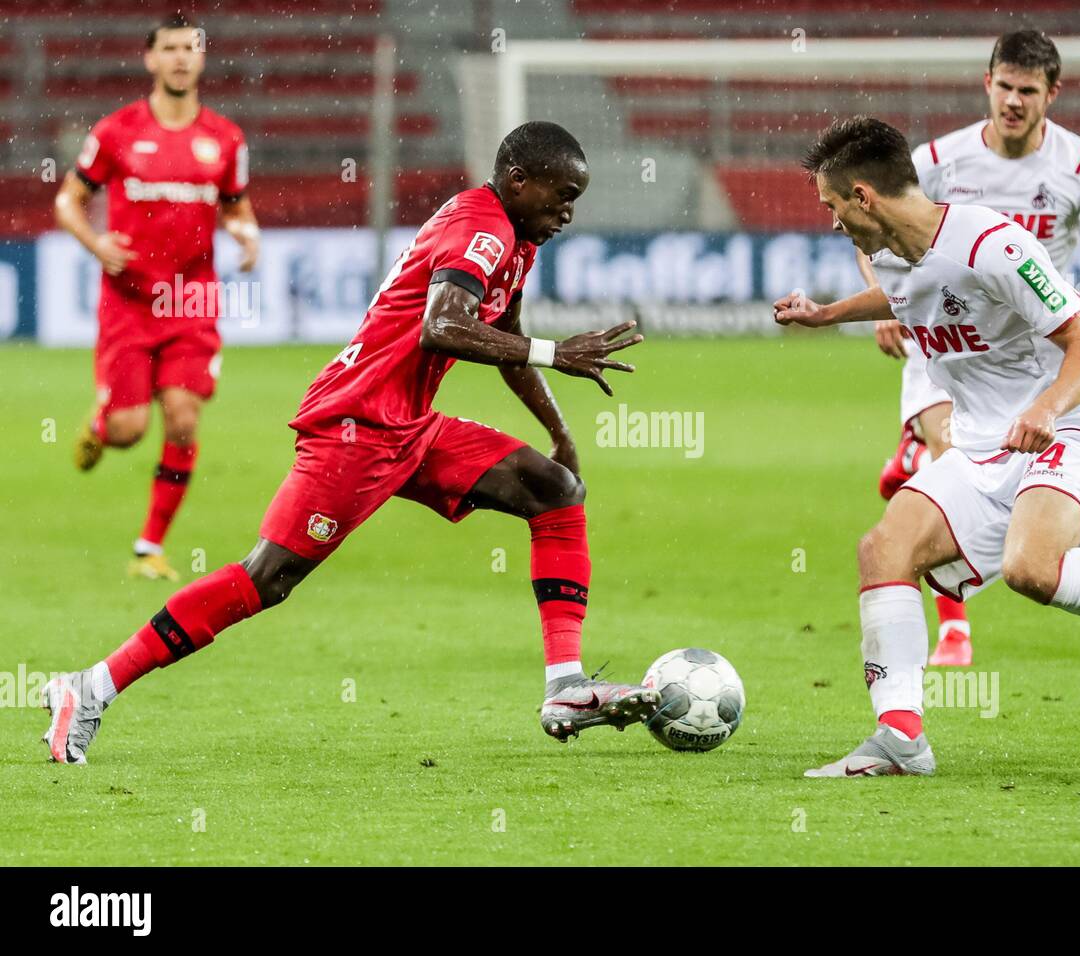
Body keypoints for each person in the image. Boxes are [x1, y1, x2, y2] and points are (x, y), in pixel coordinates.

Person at [41, 121, 658, 765]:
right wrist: (560, 353)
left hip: (409, 426)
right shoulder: (485, 228)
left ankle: (564, 687)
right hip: (356, 427)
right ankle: (89, 687)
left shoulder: (514, 237)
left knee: (556, 491)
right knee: (266, 579)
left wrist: (560, 435)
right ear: (517, 182)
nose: (568, 212)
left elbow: (503, 334)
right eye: (561, 195)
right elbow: (441, 327)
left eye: (575, 199)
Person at [774, 117, 1080, 778]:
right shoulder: (895, 253)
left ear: (864, 196)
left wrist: (1045, 408)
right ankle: (900, 739)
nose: (832, 222)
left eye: (833, 206)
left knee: (1034, 568)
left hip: (1070, 431)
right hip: (986, 445)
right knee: (884, 548)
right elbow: (902, 294)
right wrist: (828, 314)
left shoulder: (991, 245)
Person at [863, 30, 1080, 666]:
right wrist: (886, 297)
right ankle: (954, 631)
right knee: (948, 458)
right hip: (947, 340)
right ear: (986, 83)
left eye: (1027, 90)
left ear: (1052, 94)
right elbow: (867, 217)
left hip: (1028, 358)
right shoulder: (939, 159)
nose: (1013, 101)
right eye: (1004, 86)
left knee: (1003, 515)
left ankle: (917, 470)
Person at [55, 13, 260, 581]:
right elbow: (67, 201)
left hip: (191, 299)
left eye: (190, 49)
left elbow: (237, 207)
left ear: (201, 59)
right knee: (128, 431)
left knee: (183, 417)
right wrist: (96, 244)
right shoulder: (117, 131)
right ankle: (100, 427)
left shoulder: (225, 138)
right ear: (150, 58)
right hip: (128, 302)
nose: (179, 58)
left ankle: (149, 548)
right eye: (169, 48)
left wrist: (247, 235)